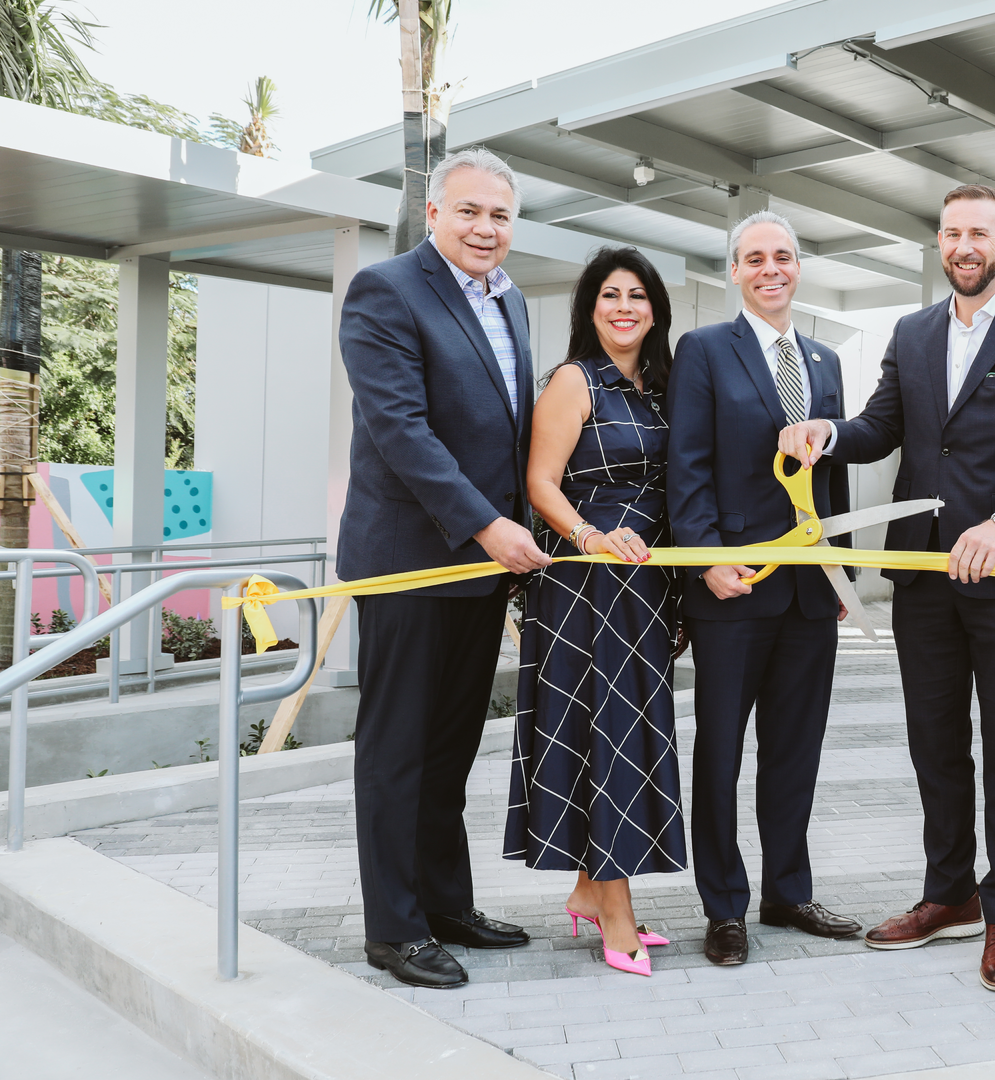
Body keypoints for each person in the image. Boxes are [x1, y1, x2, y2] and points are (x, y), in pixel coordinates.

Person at [779, 184, 995, 993]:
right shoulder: (912, 333)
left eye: (978, 233)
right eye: (952, 233)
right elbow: (882, 427)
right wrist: (826, 433)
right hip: (922, 576)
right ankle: (949, 894)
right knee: (935, 746)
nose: (963, 246)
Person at [336, 148, 548, 990]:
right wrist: (489, 526)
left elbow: (511, 431)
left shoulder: (512, 300)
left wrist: (518, 533)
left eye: (499, 215)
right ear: (433, 213)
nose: (484, 228)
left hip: (483, 567)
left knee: (452, 747)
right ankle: (394, 929)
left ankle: (446, 905)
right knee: (397, 750)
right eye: (469, 211)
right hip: (410, 562)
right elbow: (402, 430)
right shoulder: (386, 291)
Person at [666, 209, 862, 967]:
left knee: (795, 750)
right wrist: (704, 560)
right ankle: (724, 906)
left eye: (782, 255)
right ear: (735, 271)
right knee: (720, 751)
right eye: (755, 258)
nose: (770, 268)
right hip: (733, 588)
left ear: (799, 266)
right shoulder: (705, 349)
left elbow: (833, 476)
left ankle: (788, 891)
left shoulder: (824, 360)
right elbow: (687, 464)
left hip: (811, 592)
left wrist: (840, 571)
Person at [502, 246, 686, 978]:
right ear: (590, 308)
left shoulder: (663, 388)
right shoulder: (574, 381)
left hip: (643, 587)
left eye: (637, 295)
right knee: (604, 738)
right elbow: (540, 483)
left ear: (656, 310)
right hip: (584, 586)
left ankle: (589, 888)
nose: (624, 307)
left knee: (621, 736)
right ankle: (615, 913)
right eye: (610, 294)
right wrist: (589, 536)